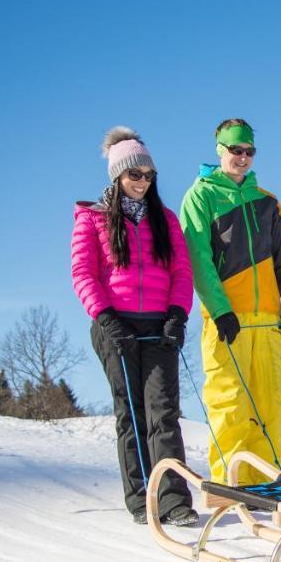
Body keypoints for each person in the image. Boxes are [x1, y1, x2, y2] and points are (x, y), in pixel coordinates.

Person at [71, 127, 197, 526]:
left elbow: (181, 270)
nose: (142, 182)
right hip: (116, 326)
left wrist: (178, 314)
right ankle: (142, 498)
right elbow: (83, 272)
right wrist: (105, 317)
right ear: (117, 176)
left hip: (159, 325)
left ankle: (174, 501)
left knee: (163, 412)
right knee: (132, 412)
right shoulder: (92, 220)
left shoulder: (167, 220)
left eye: (148, 175)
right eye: (134, 175)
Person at [180, 119, 281, 484]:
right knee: (231, 405)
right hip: (228, 324)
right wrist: (220, 311)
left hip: (267, 321)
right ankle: (229, 485)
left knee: (270, 403)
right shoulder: (201, 196)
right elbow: (199, 260)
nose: (243, 158)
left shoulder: (267, 201)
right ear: (220, 149)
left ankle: (265, 483)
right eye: (236, 150)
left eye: (250, 151)